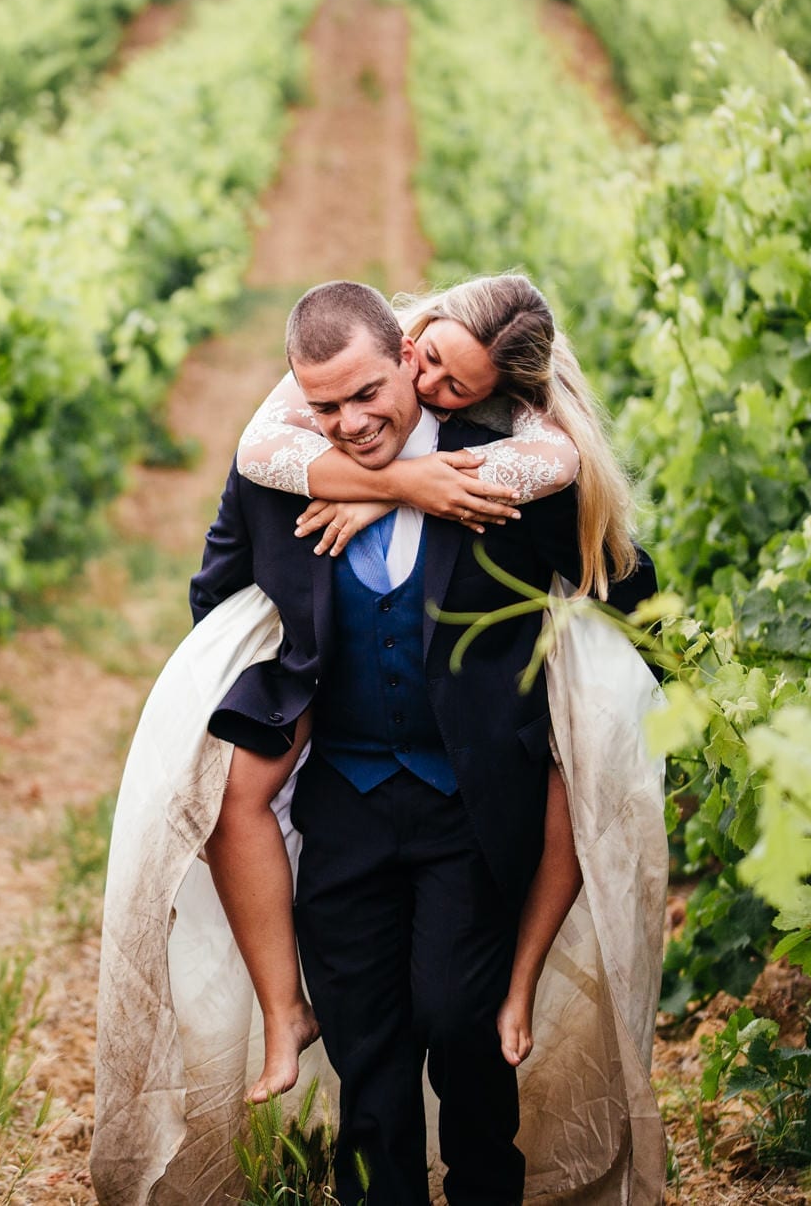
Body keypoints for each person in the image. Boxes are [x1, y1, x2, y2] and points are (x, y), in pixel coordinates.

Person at [182, 278, 654, 1205]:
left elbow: (617, 574)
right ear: (297, 395)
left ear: (409, 357)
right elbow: (217, 595)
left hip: (469, 807)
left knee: (460, 1025)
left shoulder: (502, 466)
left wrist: (670, 692)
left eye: (368, 394)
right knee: (368, 1050)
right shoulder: (280, 475)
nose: (352, 423)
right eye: (325, 405)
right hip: (343, 805)